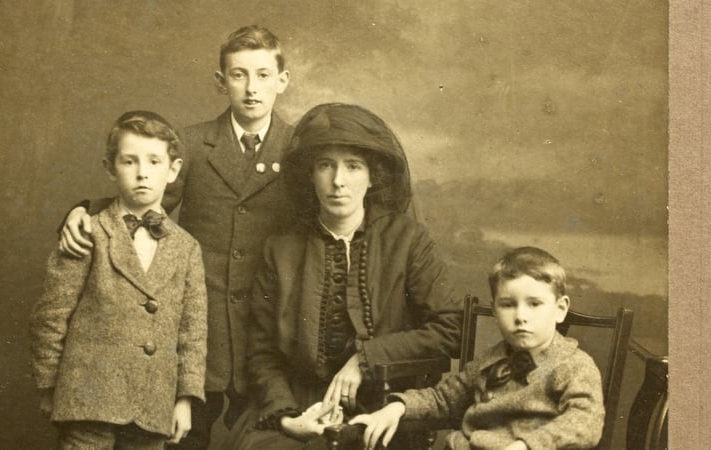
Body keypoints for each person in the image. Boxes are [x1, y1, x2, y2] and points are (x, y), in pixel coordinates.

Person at [57, 25, 294, 449]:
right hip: (197, 334)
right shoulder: (191, 144)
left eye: (262, 74)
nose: (251, 89)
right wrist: (83, 209)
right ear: (221, 82)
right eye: (238, 75)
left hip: (269, 332)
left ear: (283, 80)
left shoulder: (299, 151)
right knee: (181, 439)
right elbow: (141, 205)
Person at [226, 103, 463, 450]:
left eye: (353, 166)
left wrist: (365, 359)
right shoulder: (281, 249)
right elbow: (261, 352)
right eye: (326, 166)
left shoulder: (407, 238)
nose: (338, 181)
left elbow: (449, 327)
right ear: (311, 175)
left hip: (382, 404)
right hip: (300, 403)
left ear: (372, 177)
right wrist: (288, 417)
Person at [30, 111, 207, 449]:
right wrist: (50, 386)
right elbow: (50, 316)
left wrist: (184, 399)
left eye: (154, 161)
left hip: (152, 403)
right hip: (87, 399)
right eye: (129, 161)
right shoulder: (88, 232)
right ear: (110, 168)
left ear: (173, 170)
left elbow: (192, 332)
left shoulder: (187, 247)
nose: (142, 172)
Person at [350, 246, 605, 450]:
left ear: (560, 309)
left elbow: (586, 421)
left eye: (534, 304)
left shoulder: (574, 365)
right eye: (508, 305)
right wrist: (399, 407)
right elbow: (444, 398)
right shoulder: (491, 360)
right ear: (494, 310)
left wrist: (528, 445)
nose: (520, 316)